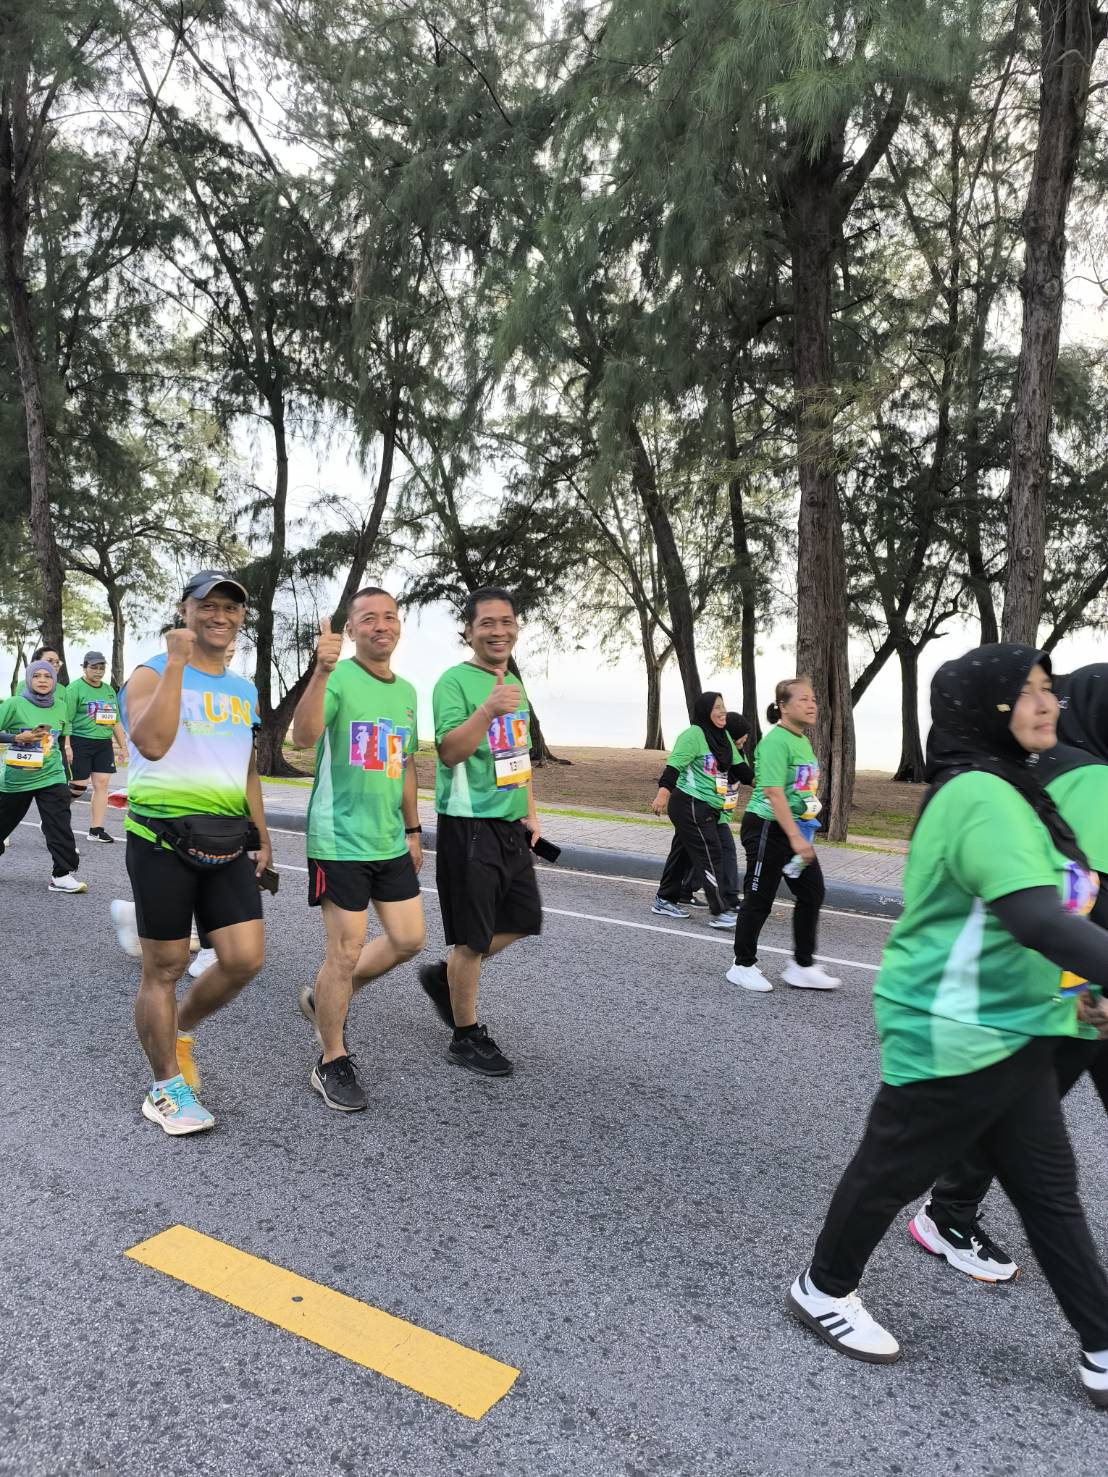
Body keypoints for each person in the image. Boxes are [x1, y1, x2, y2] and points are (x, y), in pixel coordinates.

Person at [787, 644, 1108, 1409]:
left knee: (1049, 1192)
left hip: (1013, 1025)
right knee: (890, 1171)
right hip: (949, 1027)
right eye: (1027, 692)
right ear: (986, 708)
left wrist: (1084, 988)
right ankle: (822, 1287)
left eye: (1049, 690)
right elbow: (1034, 917)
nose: (1047, 704)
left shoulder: (1018, 789)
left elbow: (1057, 910)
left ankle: (1102, 1348)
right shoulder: (979, 796)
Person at [909, 659, 1108, 1283]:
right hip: (1073, 983)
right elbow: (1096, 895)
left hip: (1048, 979)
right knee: (1012, 1116)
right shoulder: (1093, 778)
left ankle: (948, 1211)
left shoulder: (1040, 764)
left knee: (1018, 1110)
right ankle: (944, 1215)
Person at [125, 570, 271, 1136]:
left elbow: (246, 769)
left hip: (226, 840)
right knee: (165, 966)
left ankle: (178, 1030)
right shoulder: (151, 672)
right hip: (160, 839)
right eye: (208, 604)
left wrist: (261, 836)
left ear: (241, 619)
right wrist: (177, 665)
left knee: (244, 959)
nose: (220, 615)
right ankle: (164, 1089)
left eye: (231, 607)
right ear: (184, 610)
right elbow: (151, 742)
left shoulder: (243, 690)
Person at [292, 589, 426, 1112]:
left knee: (409, 939)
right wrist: (321, 671)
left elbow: (405, 764)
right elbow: (304, 737)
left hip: (388, 839)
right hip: (338, 838)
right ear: (351, 630)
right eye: (368, 618)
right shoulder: (340, 678)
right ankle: (331, 1058)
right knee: (345, 951)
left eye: (389, 617)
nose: (381, 625)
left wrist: (413, 830)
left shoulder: (407, 691)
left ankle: (325, 994)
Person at [417, 587, 542, 1077]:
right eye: (487, 623)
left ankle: (445, 977)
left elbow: (518, 754)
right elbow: (450, 752)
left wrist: (530, 812)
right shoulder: (454, 682)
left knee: (523, 918)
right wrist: (487, 710)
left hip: (509, 825)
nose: (498, 631)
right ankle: (465, 1036)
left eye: (506, 621)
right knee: (471, 940)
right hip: (468, 825)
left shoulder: (514, 683)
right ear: (468, 632)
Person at [727, 677, 839, 992]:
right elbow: (774, 794)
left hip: (794, 827)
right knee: (760, 898)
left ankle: (802, 966)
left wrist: (804, 829)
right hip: (767, 826)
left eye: (813, 699)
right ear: (783, 707)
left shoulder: (801, 741)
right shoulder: (775, 742)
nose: (811, 704)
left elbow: (799, 789)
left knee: (812, 892)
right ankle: (742, 965)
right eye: (803, 699)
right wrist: (796, 839)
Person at [651, 694, 746, 928]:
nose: (723, 711)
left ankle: (665, 899)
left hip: (709, 806)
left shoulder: (723, 737)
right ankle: (721, 911)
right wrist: (662, 795)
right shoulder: (693, 735)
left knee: (682, 853)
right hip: (689, 803)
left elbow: (741, 770)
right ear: (705, 711)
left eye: (724, 706)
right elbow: (673, 767)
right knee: (711, 853)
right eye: (717, 707)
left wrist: (769, 786)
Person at [0, 661, 86, 893]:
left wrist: (63, 761)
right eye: (36, 676)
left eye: (47, 676)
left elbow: (58, 738)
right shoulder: (15, 704)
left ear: (54, 680)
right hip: (18, 778)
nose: (42, 680)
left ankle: (62, 874)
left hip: (51, 775)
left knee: (59, 822)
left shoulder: (60, 706)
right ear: (29, 679)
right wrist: (16, 738)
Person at [677, 711, 752, 911]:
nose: (743, 742)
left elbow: (743, 776)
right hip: (705, 811)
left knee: (703, 854)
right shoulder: (718, 755)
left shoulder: (737, 755)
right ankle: (730, 898)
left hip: (719, 813)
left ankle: (685, 890)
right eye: (740, 739)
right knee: (725, 852)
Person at [64, 650, 127, 843]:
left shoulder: (109, 690)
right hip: (80, 741)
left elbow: (115, 721)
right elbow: (66, 720)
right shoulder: (74, 689)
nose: (98, 671)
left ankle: (96, 830)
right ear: (84, 668)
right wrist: (67, 745)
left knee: (102, 784)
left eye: (101, 668)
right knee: (78, 787)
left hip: (103, 743)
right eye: (94, 667)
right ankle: (54, 814)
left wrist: (123, 747)